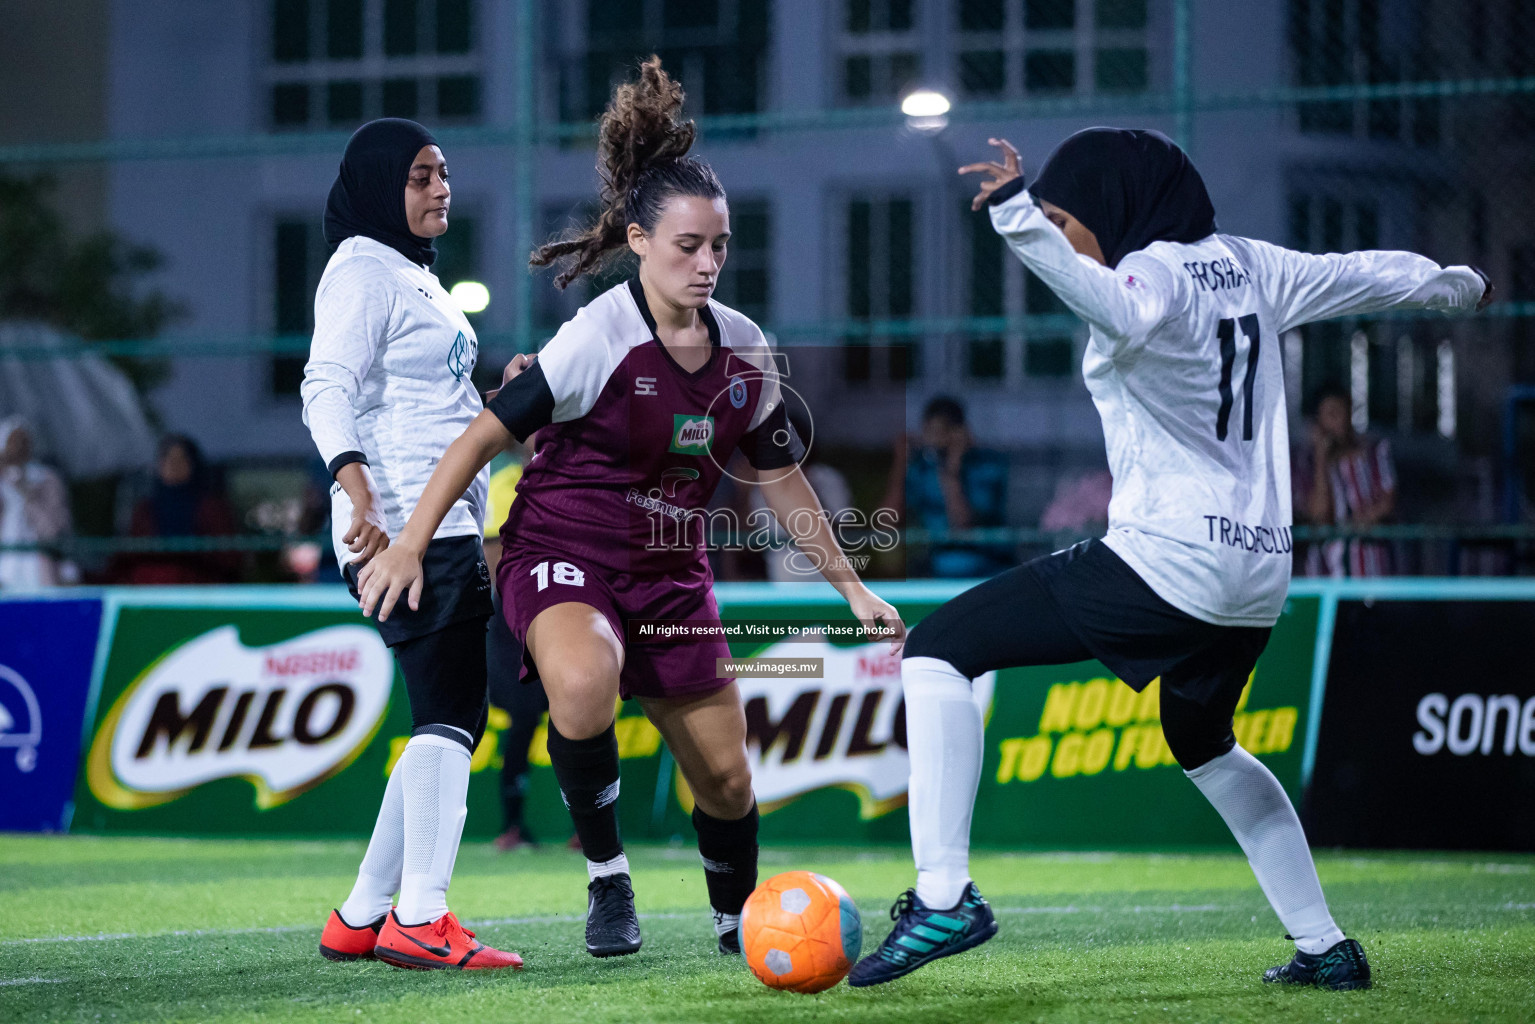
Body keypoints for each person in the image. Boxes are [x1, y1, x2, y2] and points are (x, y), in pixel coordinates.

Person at [849, 128, 1492, 990]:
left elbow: (1115, 304)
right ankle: (1323, 946)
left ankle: (943, 897)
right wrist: (1451, 284)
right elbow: (1358, 271)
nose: (1067, 234)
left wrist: (1013, 220)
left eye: (1066, 216)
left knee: (936, 650)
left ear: (1113, 207)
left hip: (1170, 560)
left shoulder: (1147, 272)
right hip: (1259, 576)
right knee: (1205, 744)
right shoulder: (1250, 263)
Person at [357, 58, 905, 959]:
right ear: (640, 240)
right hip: (558, 549)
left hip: (669, 573)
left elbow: (779, 478)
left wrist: (849, 590)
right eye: (687, 245)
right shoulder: (596, 336)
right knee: (581, 683)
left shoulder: (744, 347)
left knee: (726, 780)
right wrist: (412, 541)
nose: (706, 263)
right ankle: (608, 882)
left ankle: (737, 924)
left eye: (719, 245)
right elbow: (483, 438)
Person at [300, 117, 521, 971]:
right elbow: (327, 386)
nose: (440, 189)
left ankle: (361, 914)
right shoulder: (361, 268)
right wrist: (357, 493)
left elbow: (423, 397)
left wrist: (494, 392)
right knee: (452, 716)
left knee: (447, 713)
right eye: (420, 176)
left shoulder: (408, 273)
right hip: (404, 525)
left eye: (444, 174)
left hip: (437, 518)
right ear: (378, 183)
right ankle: (422, 915)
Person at [481, 439, 551, 851]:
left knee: (583, 718)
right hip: (516, 614)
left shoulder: (578, 471)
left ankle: (590, 829)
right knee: (523, 720)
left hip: (569, 605)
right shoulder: (506, 480)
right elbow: (493, 556)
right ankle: (513, 825)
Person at [883, 396, 1012, 578]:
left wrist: (952, 468)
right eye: (930, 431)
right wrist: (900, 464)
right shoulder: (921, 470)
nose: (936, 439)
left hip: (988, 568)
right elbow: (887, 521)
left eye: (943, 431)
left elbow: (963, 525)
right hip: (936, 569)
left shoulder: (986, 467)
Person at [1294, 384, 1397, 576]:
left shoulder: (1375, 452)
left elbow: (1387, 501)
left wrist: (1362, 520)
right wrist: (1321, 458)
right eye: (1332, 414)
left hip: (1372, 571)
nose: (1340, 421)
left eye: (1344, 412)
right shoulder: (1305, 463)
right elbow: (1318, 515)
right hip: (1324, 576)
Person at [114, 434, 240, 585]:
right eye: (167, 459)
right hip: (149, 587)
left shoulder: (211, 507)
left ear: (193, 464)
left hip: (200, 587)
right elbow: (129, 554)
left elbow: (228, 557)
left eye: (181, 459)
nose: (173, 465)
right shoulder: (145, 509)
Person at [0, 417, 72, 590]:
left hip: (39, 568)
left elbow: (53, 532)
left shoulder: (46, 480)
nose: (17, 448)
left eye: (22, 442)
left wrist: (27, 493)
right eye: (13, 442)